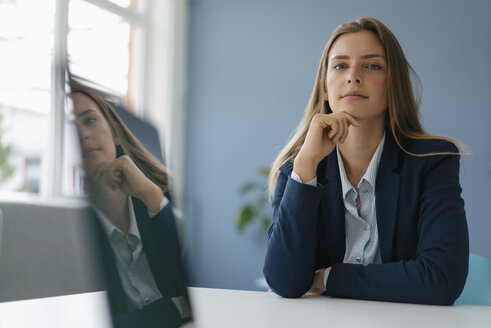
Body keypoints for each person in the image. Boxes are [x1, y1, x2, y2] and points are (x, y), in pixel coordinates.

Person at [263, 17, 469, 305]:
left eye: (372, 65)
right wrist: (306, 164)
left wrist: (328, 278)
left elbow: (441, 278)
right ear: (324, 87)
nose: (353, 76)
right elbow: (285, 281)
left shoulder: (433, 161)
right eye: (340, 65)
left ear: (393, 83)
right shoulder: (298, 167)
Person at [69, 80, 192, 327]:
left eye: (89, 120)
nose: (82, 133)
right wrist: (175, 308)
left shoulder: (162, 204)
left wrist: (152, 195)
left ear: (114, 132)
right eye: (72, 126)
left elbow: (189, 295)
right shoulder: (73, 230)